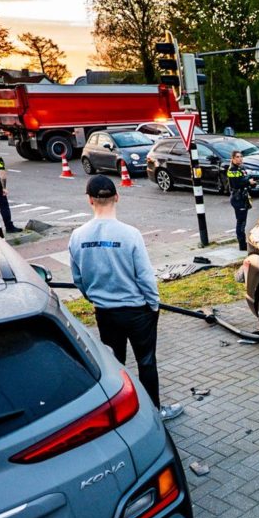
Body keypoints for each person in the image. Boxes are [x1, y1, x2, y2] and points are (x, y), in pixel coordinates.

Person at [69, 175, 182, 421]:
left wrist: (94, 297)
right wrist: (152, 305)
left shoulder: (77, 236)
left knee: (113, 364)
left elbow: (78, 278)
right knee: (146, 361)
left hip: (105, 312)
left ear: (89, 200)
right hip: (137, 311)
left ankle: (119, 414)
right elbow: (145, 278)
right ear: (117, 197)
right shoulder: (130, 234)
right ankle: (155, 411)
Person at [226, 150, 256, 250]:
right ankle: (242, 246)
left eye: (241, 156)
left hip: (243, 197)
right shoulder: (232, 170)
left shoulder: (241, 168)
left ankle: (243, 244)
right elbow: (237, 183)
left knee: (243, 221)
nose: (240, 159)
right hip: (238, 198)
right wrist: (248, 181)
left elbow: (245, 177)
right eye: (237, 157)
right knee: (241, 222)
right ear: (233, 159)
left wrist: (251, 181)